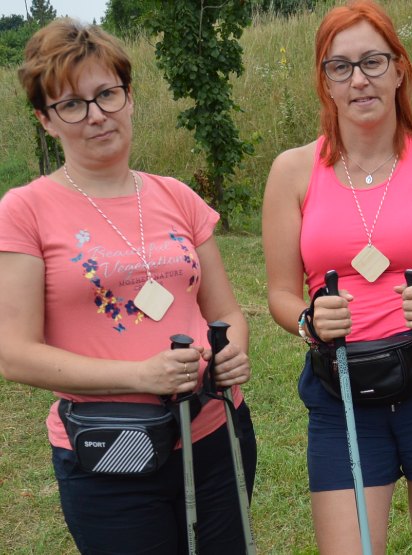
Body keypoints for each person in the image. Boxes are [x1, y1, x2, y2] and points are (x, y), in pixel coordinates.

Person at [0, 18, 255, 553]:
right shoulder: (24, 210)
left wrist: (234, 352)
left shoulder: (177, 196)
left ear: (129, 97)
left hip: (215, 433)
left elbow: (227, 313)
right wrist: (140, 374)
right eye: (72, 104)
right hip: (110, 452)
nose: (96, 116)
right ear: (46, 121)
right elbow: (14, 354)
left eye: (106, 94)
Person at [261, 1, 412, 553]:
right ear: (325, 82)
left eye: (373, 62)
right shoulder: (293, 172)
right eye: (340, 67)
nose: (359, 78)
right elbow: (281, 294)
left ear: (399, 68)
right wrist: (309, 320)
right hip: (341, 383)